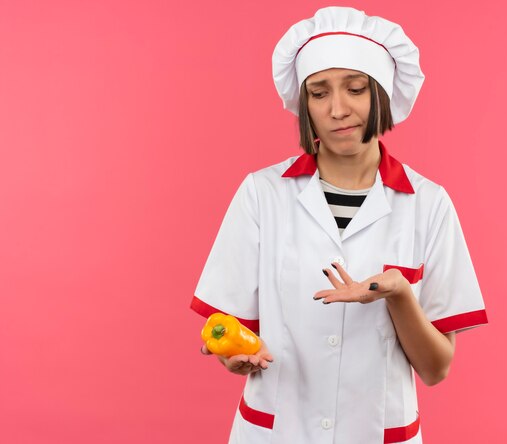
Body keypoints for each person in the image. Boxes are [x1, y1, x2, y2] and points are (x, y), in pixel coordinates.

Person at [191, 6, 488, 444]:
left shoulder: (428, 204)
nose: (338, 109)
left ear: (382, 94)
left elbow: (435, 368)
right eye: (318, 93)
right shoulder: (262, 194)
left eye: (355, 89)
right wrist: (233, 357)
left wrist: (400, 295)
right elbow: (231, 330)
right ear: (304, 104)